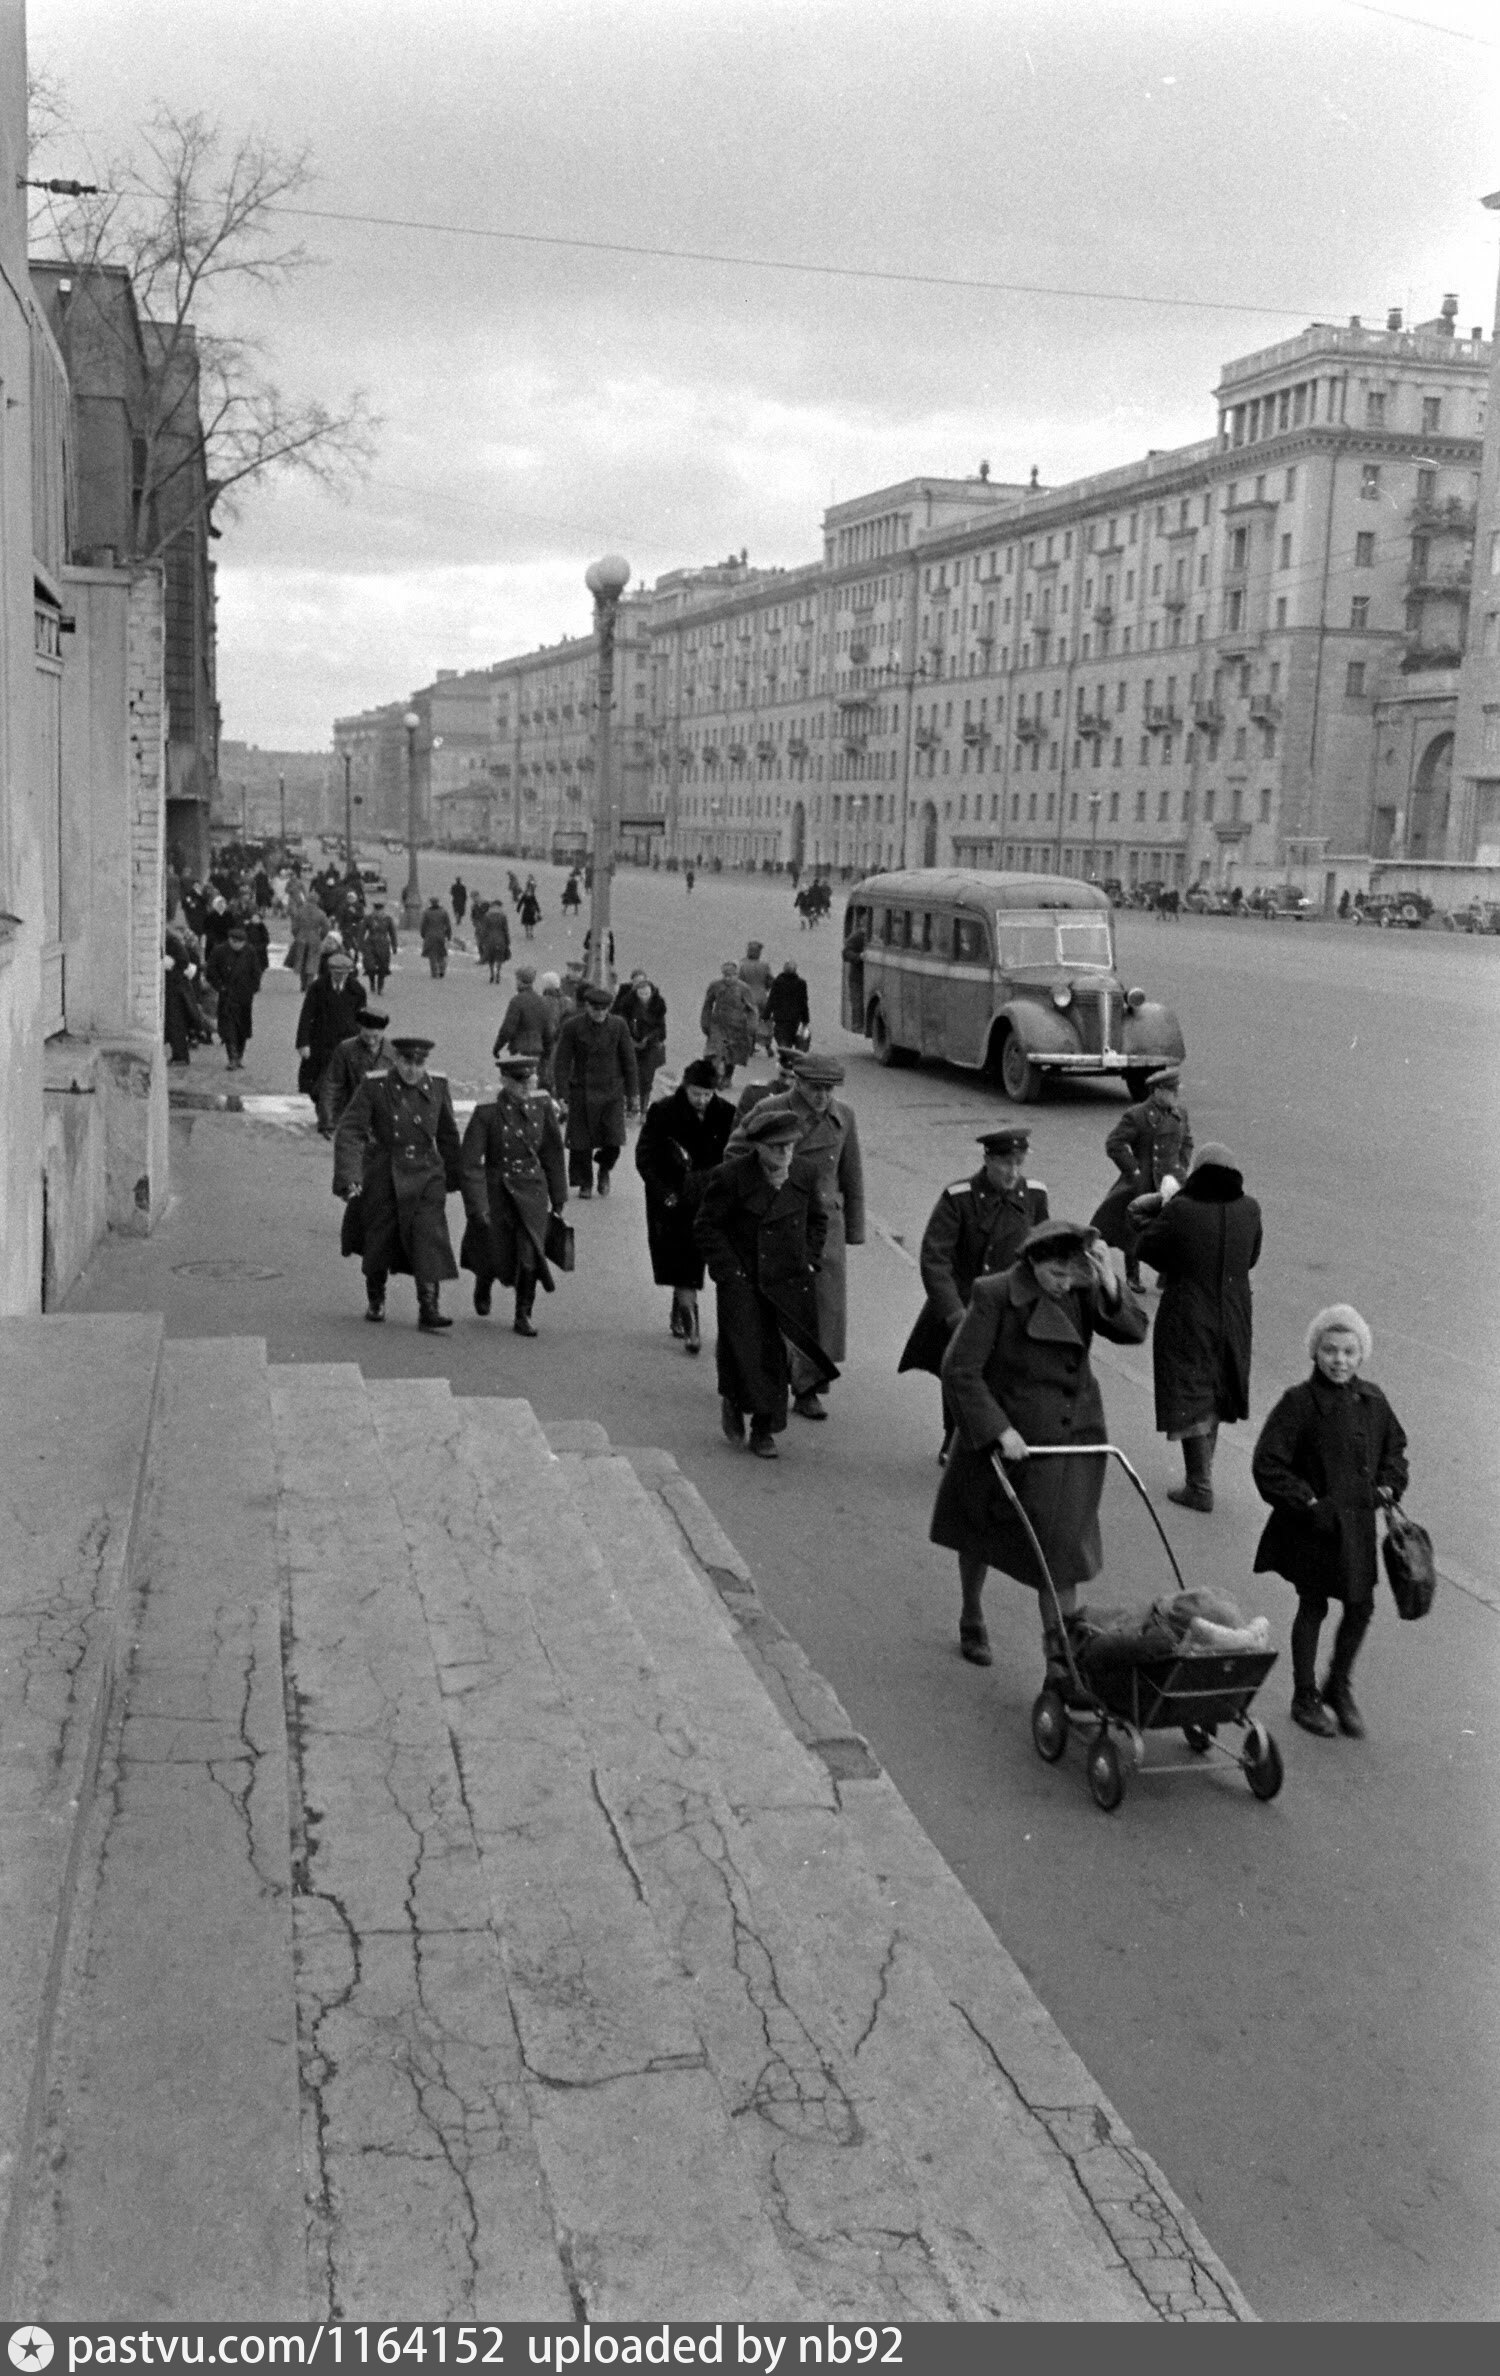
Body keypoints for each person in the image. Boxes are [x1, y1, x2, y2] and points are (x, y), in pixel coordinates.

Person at [931, 1220, 1149, 1672]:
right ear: (1033, 1262)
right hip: (1008, 1440)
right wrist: (998, 1430)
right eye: (1056, 1274)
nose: (1065, 1284)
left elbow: (1133, 1331)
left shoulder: (1082, 1288)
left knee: (1061, 1556)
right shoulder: (995, 1295)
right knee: (978, 1531)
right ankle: (972, 1612)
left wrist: (1109, 1281)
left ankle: (1061, 1662)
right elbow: (960, 1370)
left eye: (1073, 1274)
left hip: (1070, 1439)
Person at [1252, 1306, 1408, 1739]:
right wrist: (1307, 1503)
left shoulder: (1373, 1401)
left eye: (1349, 1352)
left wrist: (1392, 1484)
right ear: (1314, 1352)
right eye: (1329, 1350)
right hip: (1315, 1528)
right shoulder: (1298, 1404)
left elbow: (1395, 1449)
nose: (1339, 1360)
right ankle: (1305, 1696)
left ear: (1362, 1355)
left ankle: (1338, 1685)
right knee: (1313, 1605)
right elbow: (1268, 1463)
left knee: (1361, 1605)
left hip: (1357, 1528)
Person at [727, 1051, 864, 1423]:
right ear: (798, 1082)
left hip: (824, 1227)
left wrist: (854, 1227)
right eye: (814, 1088)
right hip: (778, 1219)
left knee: (821, 1309)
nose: (822, 1097)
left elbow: (851, 1172)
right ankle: (765, 1383)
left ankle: (810, 1389)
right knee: (774, 1305)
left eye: (828, 1089)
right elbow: (735, 1152)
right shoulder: (772, 1108)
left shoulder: (844, 1116)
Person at [693, 1104, 834, 1460]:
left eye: (789, 1146)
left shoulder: (804, 1173)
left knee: (775, 1355)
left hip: (788, 1281)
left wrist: (810, 1261)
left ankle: (763, 1428)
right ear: (758, 1147)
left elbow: (818, 1221)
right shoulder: (731, 1177)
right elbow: (707, 1226)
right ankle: (734, 1398)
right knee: (745, 1352)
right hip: (744, 1280)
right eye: (776, 1148)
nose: (785, 1154)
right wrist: (729, 1272)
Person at [898, 1128, 1049, 1456]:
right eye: (1005, 1163)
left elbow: (1043, 1252)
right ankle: (953, 1439)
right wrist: (955, 1314)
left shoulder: (1034, 1195)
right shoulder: (959, 1197)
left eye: (1019, 1163)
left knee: (1010, 1375)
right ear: (988, 1160)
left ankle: (1000, 1438)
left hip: (1014, 1304)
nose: (1013, 1172)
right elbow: (935, 1260)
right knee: (961, 1371)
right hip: (967, 1303)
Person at [1133, 1142, 1262, 1513]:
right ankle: (1202, 1477)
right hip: (1235, 1311)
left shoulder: (1182, 1210)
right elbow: (1251, 1257)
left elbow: (1149, 1248)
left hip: (1189, 1310)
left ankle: (1199, 1484)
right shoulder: (1249, 1208)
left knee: (1191, 1388)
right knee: (1218, 1388)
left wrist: (1151, 1210)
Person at [333, 1033, 463, 1330]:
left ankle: (429, 1307)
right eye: (406, 1061)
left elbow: (447, 1134)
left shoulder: (437, 1087)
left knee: (429, 1235)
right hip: (384, 1170)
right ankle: (376, 1299)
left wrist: (456, 1178)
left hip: (427, 1173)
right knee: (380, 1238)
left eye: (419, 1063)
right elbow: (351, 1131)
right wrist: (350, 1176)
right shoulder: (375, 1086)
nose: (412, 1069)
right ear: (397, 1060)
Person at [460, 1053, 569, 1337]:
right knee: (494, 1248)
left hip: (532, 1188)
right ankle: (484, 1280)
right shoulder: (487, 1113)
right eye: (518, 1081)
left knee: (530, 1251)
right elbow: (470, 1162)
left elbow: (552, 1152)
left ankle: (524, 1313)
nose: (525, 1087)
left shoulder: (542, 1105)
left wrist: (558, 1195)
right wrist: (477, 1203)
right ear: (504, 1081)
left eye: (529, 1080)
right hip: (498, 1187)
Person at [635, 1056, 735, 1353]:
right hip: (673, 1200)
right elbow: (645, 1157)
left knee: (698, 1260)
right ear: (685, 1087)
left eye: (707, 1094)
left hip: (712, 1198)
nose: (702, 1100)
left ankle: (679, 1308)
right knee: (682, 1260)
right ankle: (692, 1326)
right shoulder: (664, 1113)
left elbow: (736, 1156)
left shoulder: (727, 1114)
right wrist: (663, 1192)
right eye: (696, 1094)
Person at [1090, 1066, 1193, 1289]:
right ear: (1157, 1091)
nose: (1176, 1095)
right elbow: (1114, 1143)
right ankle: (1133, 1275)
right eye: (1171, 1091)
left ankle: (1166, 1274)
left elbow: (1187, 1142)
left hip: (1172, 1182)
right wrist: (1134, 1171)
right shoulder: (1138, 1115)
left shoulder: (1180, 1114)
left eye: (1176, 1091)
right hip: (1145, 1181)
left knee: (1175, 1228)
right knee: (1134, 1230)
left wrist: (1181, 1169)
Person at [551, 980, 639, 1197]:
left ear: (609, 1008)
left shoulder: (619, 1026)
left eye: (604, 1009)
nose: (599, 1013)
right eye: (595, 1009)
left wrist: (633, 1094)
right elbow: (561, 1062)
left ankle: (604, 1169)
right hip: (582, 1090)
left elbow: (629, 1061)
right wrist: (562, 1094)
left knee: (614, 1141)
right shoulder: (573, 1026)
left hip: (611, 1091)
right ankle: (585, 1183)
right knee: (581, 1143)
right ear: (587, 1007)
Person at [296, 949, 364, 1111]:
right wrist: (303, 1043)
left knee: (344, 1081)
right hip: (320, 1041)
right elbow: (306, 1016)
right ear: (330, 971)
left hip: (346, 1042)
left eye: (344, 973)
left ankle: (333, 1113)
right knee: (317, 1082)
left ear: (349, 972)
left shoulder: (357, 990)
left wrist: (363, 1042)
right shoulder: (317, 988)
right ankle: (322, 1107)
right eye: (336, 973)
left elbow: (361, 1018)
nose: (340, 976)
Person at [317, 1004, 390, 1137]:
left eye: (375, 1036)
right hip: (352, 1119)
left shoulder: (395, 1053)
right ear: (359, 1029)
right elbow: (332, 1084)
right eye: (366, 1036)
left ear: (383, 1032)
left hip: (385, 1123)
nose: (371, 1041)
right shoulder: (345, 1050)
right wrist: (327, 1120)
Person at [206, 916, 263, 1071]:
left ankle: (239, 1057)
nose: (237, 945)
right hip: (228, 996)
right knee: (228, 1028)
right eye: (234, 942)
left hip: (245, 996)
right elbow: (210, 971)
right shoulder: (219, 951)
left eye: (241, 943)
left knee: (242, 1029)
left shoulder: (249, 952)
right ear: (230, 940)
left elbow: (256, 971)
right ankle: (232, 1058)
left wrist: (253, 987)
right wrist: (220, 986)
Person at [700, 959, 761, 1085]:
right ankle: (714, 1076)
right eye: (725, 975)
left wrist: (752, 1027)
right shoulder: (715, 986)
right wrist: (705, 1022)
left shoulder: (744, 989)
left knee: (731, 1055)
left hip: (736, 1027)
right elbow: (708, 1004)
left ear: (736, 975)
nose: (727, 979)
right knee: (713, 1053)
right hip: (718, 1025)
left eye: (731, 976)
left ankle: (727, 1077)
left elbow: (752, 1010)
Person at [612, 970, 668, 1107]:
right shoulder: (627, 1004)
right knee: (630, 1074)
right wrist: (630, 1039)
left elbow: (661, 1030)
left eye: (647, 993)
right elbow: (620, 1022)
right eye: (641, 993)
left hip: (650, 1047)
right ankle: (631, 1103)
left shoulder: (658, 1006)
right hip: (631, 1045)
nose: (644, 996)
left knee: (646, 1078)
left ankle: (643, 1107)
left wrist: (649, 1038)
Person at [493, 962, 556, 1075]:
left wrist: (497, 1047)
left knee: (519, 1082)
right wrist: (547, 1053)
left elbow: (507, 1029)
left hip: (519, 1050)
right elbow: (548, 1032)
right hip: (537, 1050)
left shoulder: (517, 1001)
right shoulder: (542, 1002)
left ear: (519, 980)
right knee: (532, 1082)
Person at [163, 927, 199, 1067]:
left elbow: (183, 960)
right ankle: (178, 1055)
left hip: (176, 989)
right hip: (174, 986)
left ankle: (181, 1056)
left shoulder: (171, 941)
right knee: (173, 1023)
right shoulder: (170, 940)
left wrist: (172, 973)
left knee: (175, 1023)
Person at [765, 958, 810, 1056]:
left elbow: (772, 999)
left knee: (782, 1038)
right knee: (794, 1036)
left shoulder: (778, 982)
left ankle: (785, 1054)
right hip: (795, 1018)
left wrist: (766, 1014)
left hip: (780, 1017)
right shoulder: (801, 983)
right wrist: (805, 1019)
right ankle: (792, 1055)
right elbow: (804, 1003)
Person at [360, 900, 398, 995]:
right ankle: (372, 982)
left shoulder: (388, 919)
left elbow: (392, 933)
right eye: (376, 910)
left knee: (383, 966)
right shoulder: (368, 918)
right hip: (370, 943)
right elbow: (362, 932)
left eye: (380, 910)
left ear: (383, 910)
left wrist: (394, 945)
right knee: (370, 966)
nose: (378, 912)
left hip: (383, 944)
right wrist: (360, 945)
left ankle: (380, 987)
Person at [477, 897, 512, 983]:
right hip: (500, 939)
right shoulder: (503, 916)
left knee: (490, 958)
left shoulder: (487, 916)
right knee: (499, 958)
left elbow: (484, 930)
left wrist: (481, 940)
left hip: (490, 940)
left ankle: (492, 973)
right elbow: (506, 930)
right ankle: (498, 973)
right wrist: (507, 941)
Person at [739, 939, 774, 1023]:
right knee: (762, 1022)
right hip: (762, 998)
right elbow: (770, 982)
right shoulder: (765, 965)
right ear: (758, 953)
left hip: (747, 998)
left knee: (746, 1022)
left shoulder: (741, 965)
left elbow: (738, 982)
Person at [420, 895, 452, 978]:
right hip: (441, 935)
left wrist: (423, 934)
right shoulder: (443, 912)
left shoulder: (426, 913)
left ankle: (434, 972)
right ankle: (442, 969)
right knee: (441, 953)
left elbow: (423, 925)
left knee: (432, 955)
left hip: (430, 936)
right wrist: (448, 935)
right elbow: (448, 925)